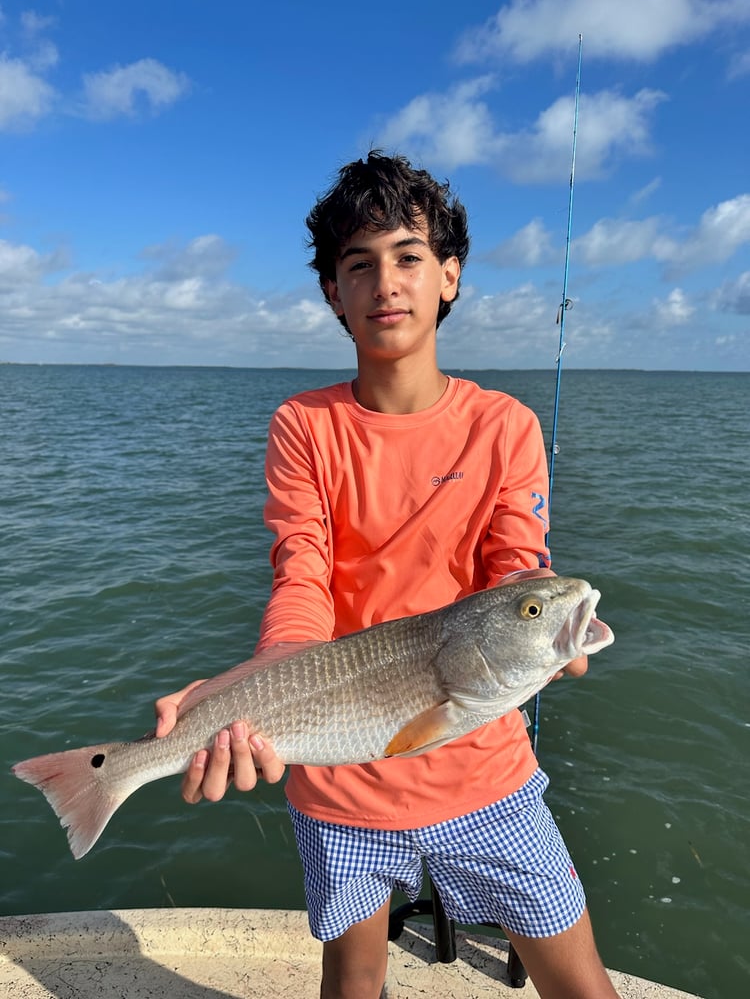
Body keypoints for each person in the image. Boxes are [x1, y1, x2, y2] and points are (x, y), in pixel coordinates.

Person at [155, 150, 620, 999]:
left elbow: (518, 567)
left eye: (409, 256)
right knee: (352, 983)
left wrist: (544, 631)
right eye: (358, 265)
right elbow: (301, 572)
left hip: (486, 772)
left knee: (583, 985)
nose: (386, 283)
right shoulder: (304, 425)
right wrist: (257, 687)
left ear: (449, 275)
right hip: (337, 777)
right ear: (333, 292)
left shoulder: (504, 425)